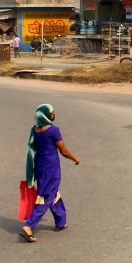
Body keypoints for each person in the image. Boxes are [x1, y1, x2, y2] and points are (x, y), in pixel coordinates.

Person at [20, 103, 80, 242]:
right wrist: (74, 158)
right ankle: (29, 225)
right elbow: (63, 151)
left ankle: (61, 221)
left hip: (39, 166)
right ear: (47, 115)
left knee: (52, 192)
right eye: (52, 112)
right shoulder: (53, 130)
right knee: (46, 196)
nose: (54, 114)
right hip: (51, 168)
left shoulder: (35, 130)